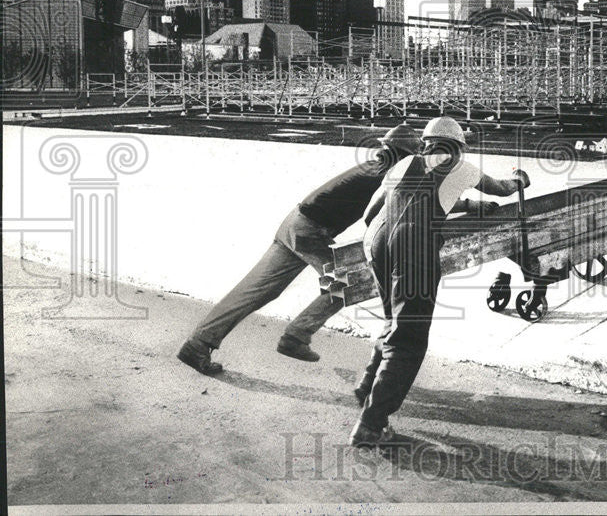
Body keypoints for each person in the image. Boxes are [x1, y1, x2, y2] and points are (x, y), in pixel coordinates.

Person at [177, 124, 423, 375]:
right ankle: (296, 336)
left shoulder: (374, 167)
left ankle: (197, 343)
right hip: (309, 232)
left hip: (295, 224)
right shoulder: (386, 176)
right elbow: (401, 209)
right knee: (349, 282)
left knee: (256, 291)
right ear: (405, 156)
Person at [349, 116, 529, 447]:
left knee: (393, 323)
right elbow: (503, 188)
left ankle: (366, 387)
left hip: (375, 242)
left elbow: (369, 214)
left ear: (426, 142)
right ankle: (371, 426)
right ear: (458, 146)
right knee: (409, 338)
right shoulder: (461, 166)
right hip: (412, 246)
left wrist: (468, 206)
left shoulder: (403, 165)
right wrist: (520, 179)